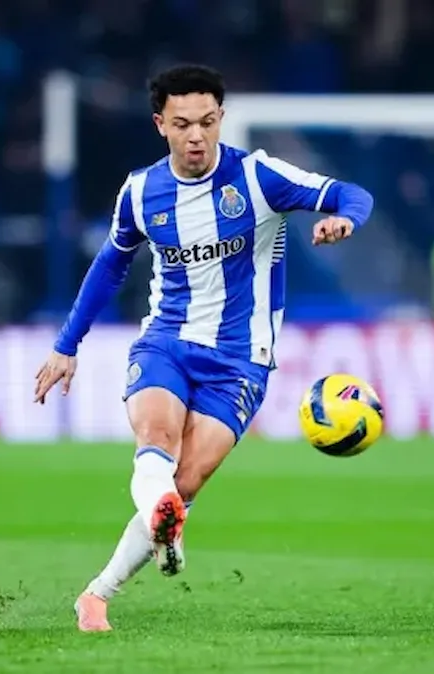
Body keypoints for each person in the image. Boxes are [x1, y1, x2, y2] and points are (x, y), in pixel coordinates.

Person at [32, 64, 374, 632]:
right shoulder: (141, 191)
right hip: (167, 340)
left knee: (184, 482)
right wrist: (68, 344)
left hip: (241, 361)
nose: (198, 136)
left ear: (221, 120)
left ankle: (97, 591)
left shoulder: (260, 178)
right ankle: (152, 531)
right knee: (156, 438)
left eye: (209, 122)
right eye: (184, 123)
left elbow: (350, 193)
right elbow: (110, 265)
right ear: (160, 124)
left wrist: (344, 220)